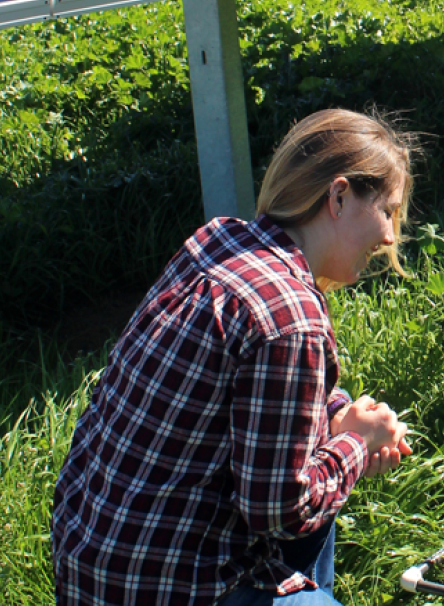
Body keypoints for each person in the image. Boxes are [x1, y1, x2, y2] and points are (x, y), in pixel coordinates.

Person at [53, 109, 417, 606]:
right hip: (163, 587)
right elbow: (280, 511)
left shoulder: (220, 239)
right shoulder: (293, 319)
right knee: (323, 468)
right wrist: (356, 442)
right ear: (338, 196)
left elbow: (264, 393)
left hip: (90, 556)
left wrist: (338, 416)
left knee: (327, 433)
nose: (391, 235)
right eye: (387, 210)